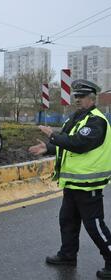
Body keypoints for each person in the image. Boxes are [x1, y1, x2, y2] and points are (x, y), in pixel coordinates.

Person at [29, 79, 111, 279]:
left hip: (88, 183)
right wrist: (48, 148)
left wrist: (53, 136)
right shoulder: (75, 118)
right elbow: (67, 145)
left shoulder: (96, 120)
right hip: (73, 183)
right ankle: (68, 255)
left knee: (94, 226)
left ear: (92, 99)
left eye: (81, 97)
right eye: (76, 97)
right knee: (67, 221)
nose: (77, 100)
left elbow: (79, 144)